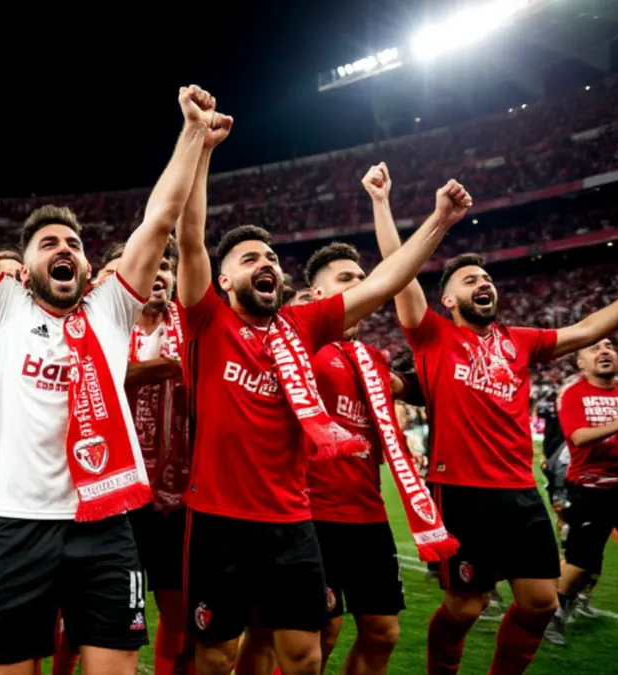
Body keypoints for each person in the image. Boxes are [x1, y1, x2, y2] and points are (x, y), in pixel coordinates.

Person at [0, 69, 221, 675]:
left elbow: (160, 218)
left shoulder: (112, 307)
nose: (62, 247)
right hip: (17, 522)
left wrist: (191, 132)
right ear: (27, 263)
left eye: (72, 240)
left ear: (89, 263)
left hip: (106, 522)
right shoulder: (1, 307)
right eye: (46, 242)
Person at [177, 151, 473, 673]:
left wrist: (440, 223)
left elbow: (383, 283)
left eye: (270, 257)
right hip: (218, 520)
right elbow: (188, 234)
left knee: (305, 656)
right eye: (248, 260)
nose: (265, 262)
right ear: (221, 282)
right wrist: (199, 145)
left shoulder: (302, 326)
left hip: (293, 521)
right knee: (217, 657)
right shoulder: (206, 322)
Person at [370, 158, 618, 674]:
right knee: (464, 608)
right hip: (462, 493)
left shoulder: (521, 342)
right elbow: (398, 271)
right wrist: (383, 203)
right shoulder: (431, 336)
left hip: (520, 492)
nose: (484, 282)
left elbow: (585, 331)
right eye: (471, 278)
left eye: (487, 277)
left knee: (540, 603)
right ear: (448, 298)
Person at [100, 238, 193, 675]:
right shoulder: (105, 328)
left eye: (166, 266)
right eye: (148, 265)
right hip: (118, 491)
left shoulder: (192, 325)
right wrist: (176, 365)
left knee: (177, 612)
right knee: (114, 609)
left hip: (179, 492)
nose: (158, 273)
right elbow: (106, 376)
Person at [544, 338, 618, 650]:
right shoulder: (573, 394)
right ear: (581, 364)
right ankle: (555, 612)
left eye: (610, 346)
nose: (604, 351)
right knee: (581, 563)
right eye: (594, 348)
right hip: (590, 488)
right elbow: (578, 436)